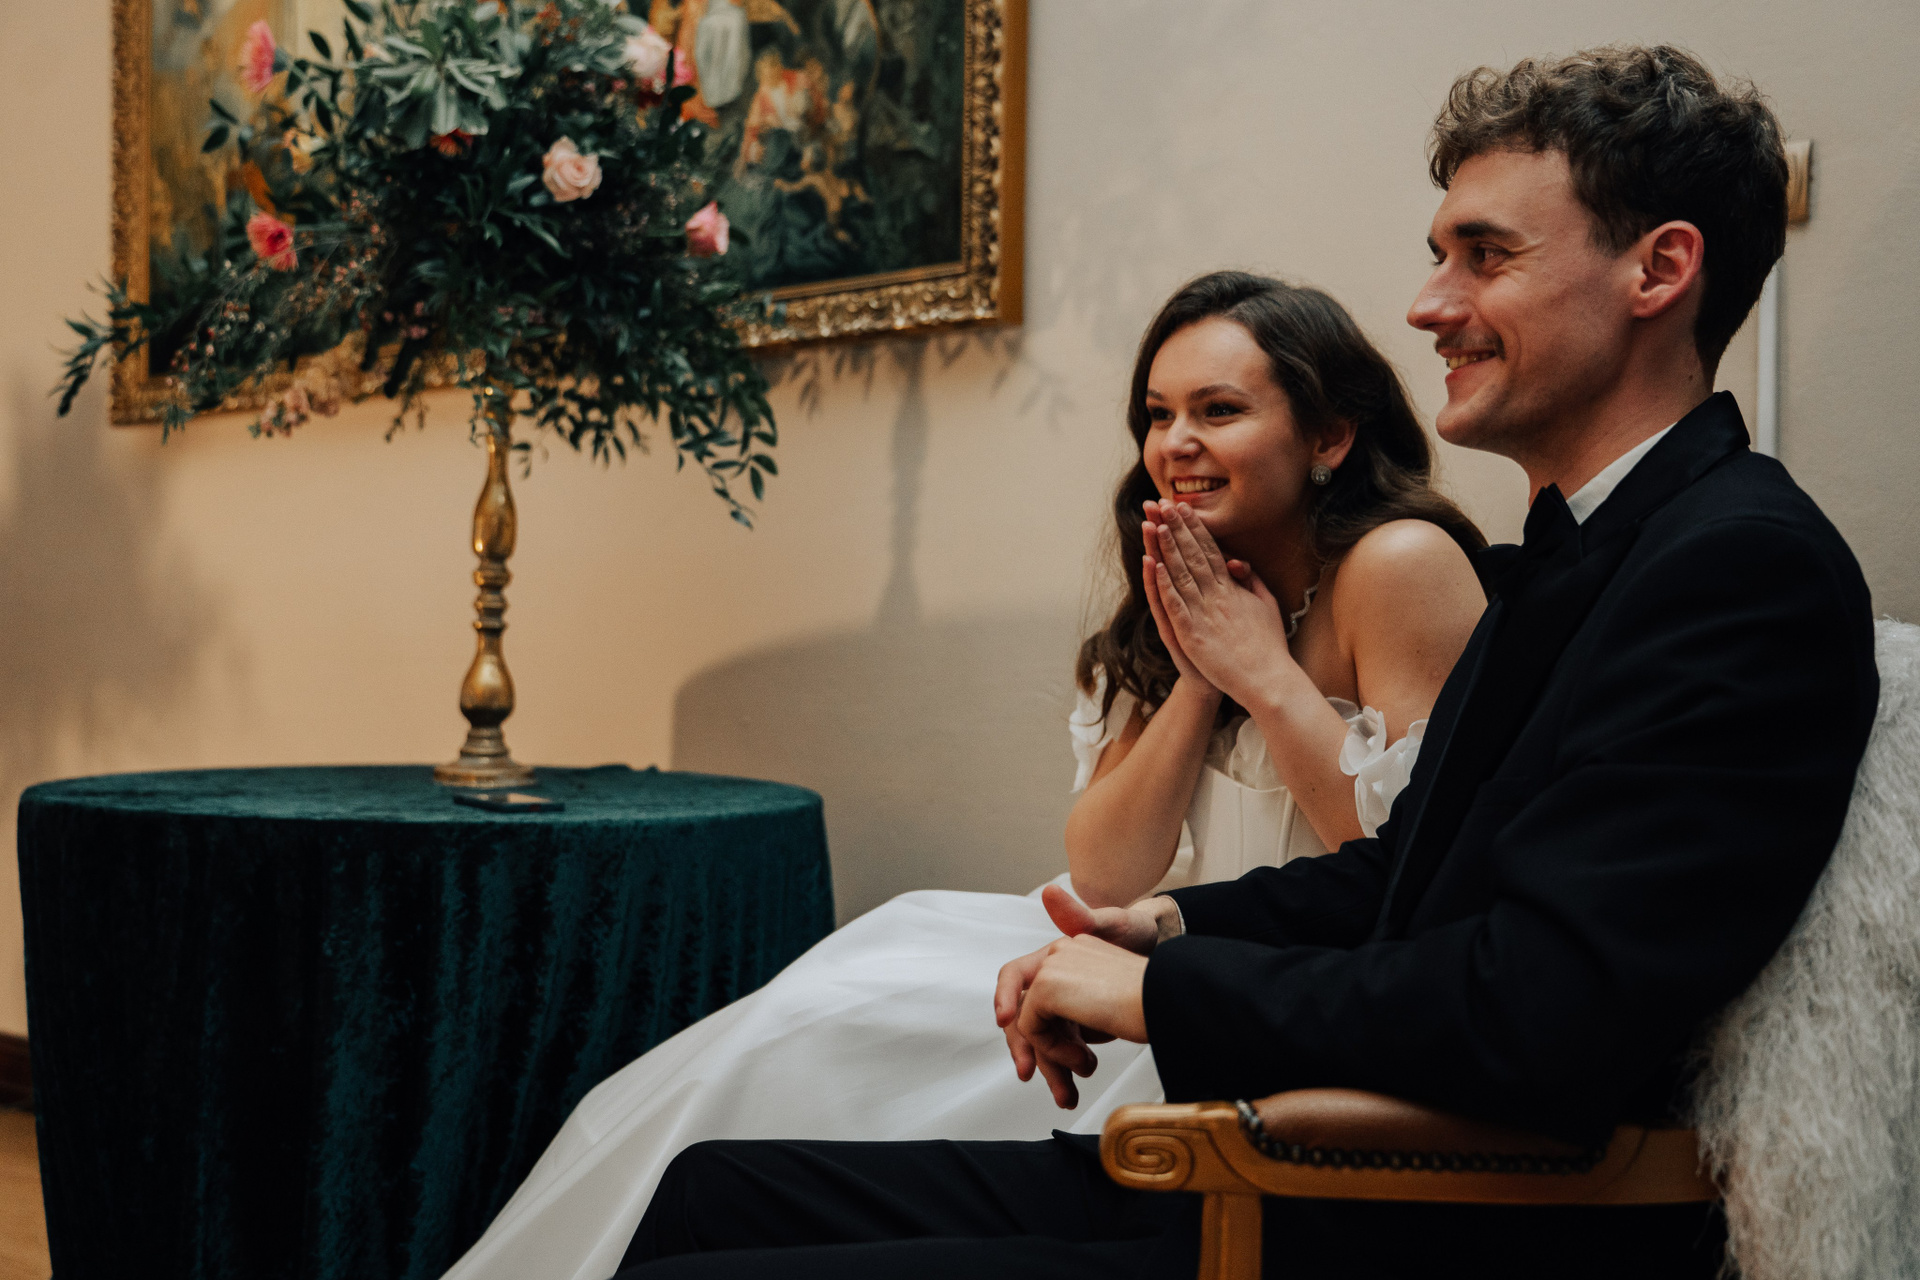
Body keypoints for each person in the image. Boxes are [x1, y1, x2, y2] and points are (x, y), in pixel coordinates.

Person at [612, 45, 1880, 1280]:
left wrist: (1159, 993)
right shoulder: (1584, 547)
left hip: (1422, 1214)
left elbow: (1533, 1007)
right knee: (708, 1189)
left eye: (1485, 255)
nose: (1428, 305)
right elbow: (1409, 871)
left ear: (1660, 268)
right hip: (1335, 1173)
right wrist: (1164, 923)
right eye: (1438, 254)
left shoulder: (1738, 568)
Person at [439, 274, 1487, 1280]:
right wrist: (1200, 677)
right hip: (1129, 940)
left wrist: (1265, 676)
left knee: (803, 1058)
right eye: (1157, 414)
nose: (1176, 443)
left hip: (1264, 1000)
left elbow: (1409, 871)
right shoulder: (1184, 584)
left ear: (1330, 436)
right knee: (761, 1044)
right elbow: (1108, 871)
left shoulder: (1398, 566)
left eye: (1219, 410)